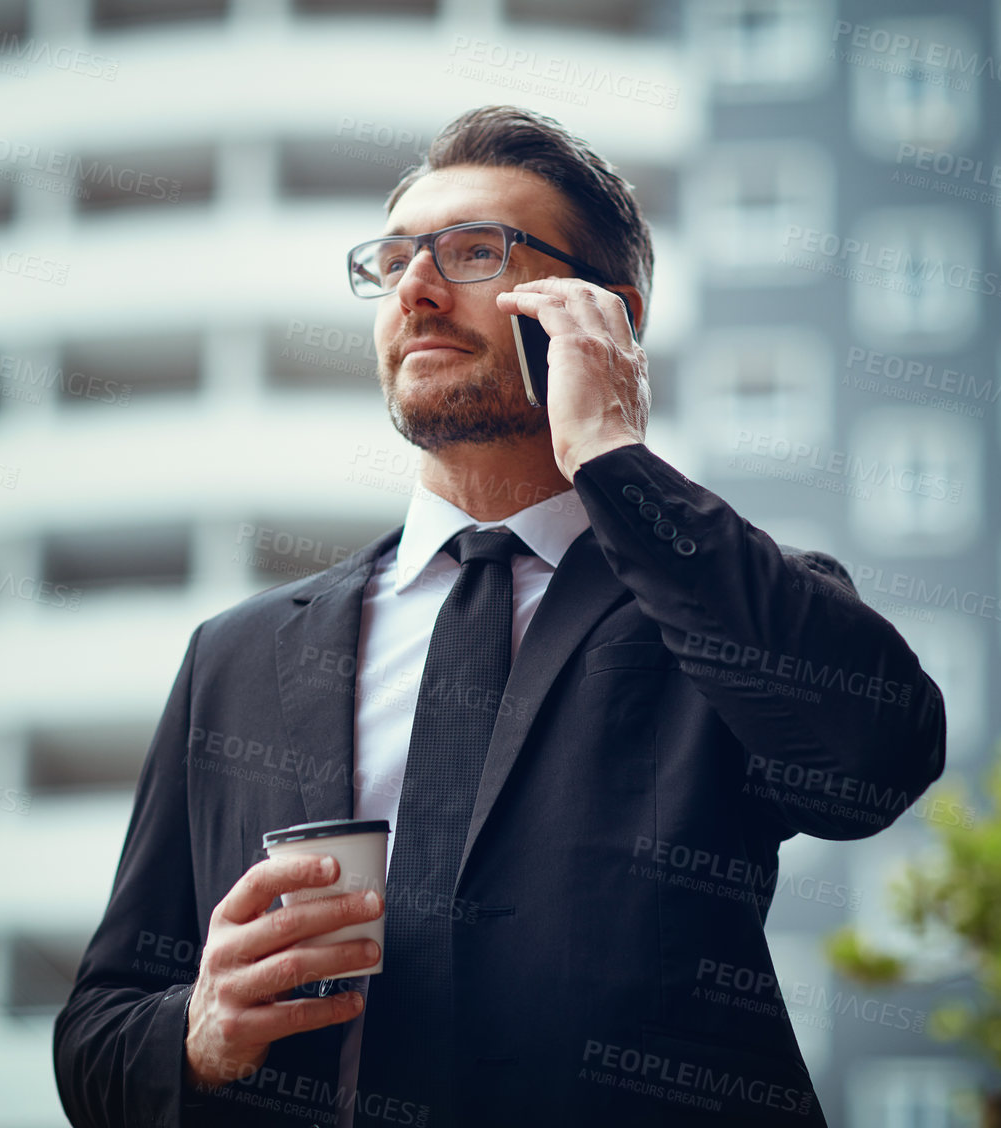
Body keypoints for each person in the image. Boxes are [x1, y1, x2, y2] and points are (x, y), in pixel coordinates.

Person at [54, 104, 946, 1128]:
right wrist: (195, 1031)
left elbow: (875, 757)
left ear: (603, 312)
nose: (418, 291)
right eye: (392, 263)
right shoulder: (239, 658)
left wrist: (614, 457)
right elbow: (96, 1035)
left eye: (475, 254)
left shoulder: (714, 597)